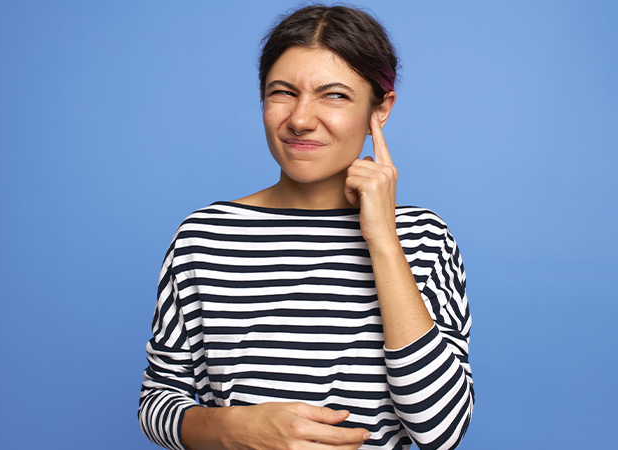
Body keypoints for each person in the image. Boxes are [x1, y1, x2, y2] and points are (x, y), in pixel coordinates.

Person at [139, 5, 473, 450]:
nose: (299, 118)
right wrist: (233, 429)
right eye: (282, 92)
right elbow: (158, 400)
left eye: (334, 95)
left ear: (381, 109)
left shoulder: (424, 239)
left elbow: (441, 430)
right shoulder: (204, 237)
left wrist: (383, 240)